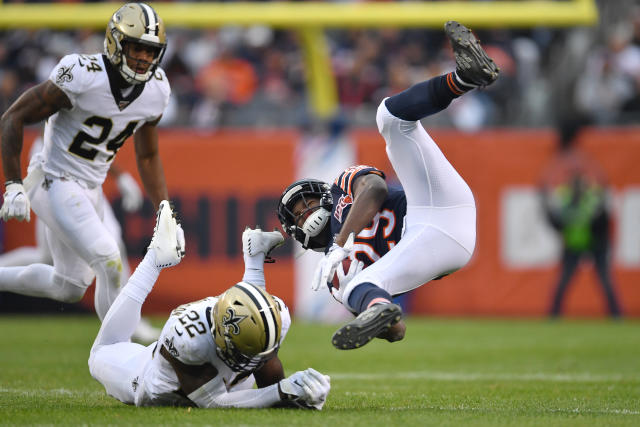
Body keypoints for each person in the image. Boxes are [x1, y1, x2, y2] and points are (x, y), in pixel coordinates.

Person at [277, 21, 499, 350]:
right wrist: (384, 320)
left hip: (437, 206)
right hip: (433, 244)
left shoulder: (341, 186)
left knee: (391, 118)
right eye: (298, 214)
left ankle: (465, 77)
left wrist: (340, 242)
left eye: (307, 203)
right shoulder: (335, 275)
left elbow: (376, 190)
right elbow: (398, 331)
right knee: (359, 285)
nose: (308, 212)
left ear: (320, 194)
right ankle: (375, 307)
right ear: (297, 234)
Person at [0, 3, 175, 323]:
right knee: (110, 259)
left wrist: (164, 209)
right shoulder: (81, 74)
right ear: (115, 43)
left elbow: (148, 155)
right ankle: (113, 351)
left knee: (68, 287)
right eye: (136, 48)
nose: (143, 59)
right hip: (54, 178)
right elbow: (14, 116)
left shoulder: (156, 90)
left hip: (89, 187)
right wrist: (12, 183)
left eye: (151, 52)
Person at [89, 200, 331, 409]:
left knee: (254, 321)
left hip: (229, 379)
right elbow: (212, 402)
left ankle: (254, 258)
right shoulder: (187, 337)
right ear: (219, 332)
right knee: (102, 352)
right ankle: (154, 259)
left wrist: (300, 395)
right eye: (247, 355)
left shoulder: (274, 316)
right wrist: (282, 391)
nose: (253, 364)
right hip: (155, 380)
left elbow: (267, 376)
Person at [539, 118, 622, 317]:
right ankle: (554, 315)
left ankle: (616, 315)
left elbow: (603, 218)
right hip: (574, 244)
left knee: (604, 280)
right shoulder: (568, 198)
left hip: (595, 242)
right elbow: (557, 223)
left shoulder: (590, 197)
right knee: (565, 281)